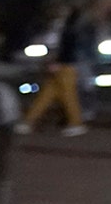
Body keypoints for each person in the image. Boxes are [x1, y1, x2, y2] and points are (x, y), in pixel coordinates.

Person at [18, 7, 89, 136]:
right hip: (63, 65)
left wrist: (58, 62)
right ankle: (27, 122)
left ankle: (76, 123)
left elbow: (65, 49)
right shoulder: (67, 28)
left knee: (67, 96)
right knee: (46, 96)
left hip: (65, 67)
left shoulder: (68, 30)